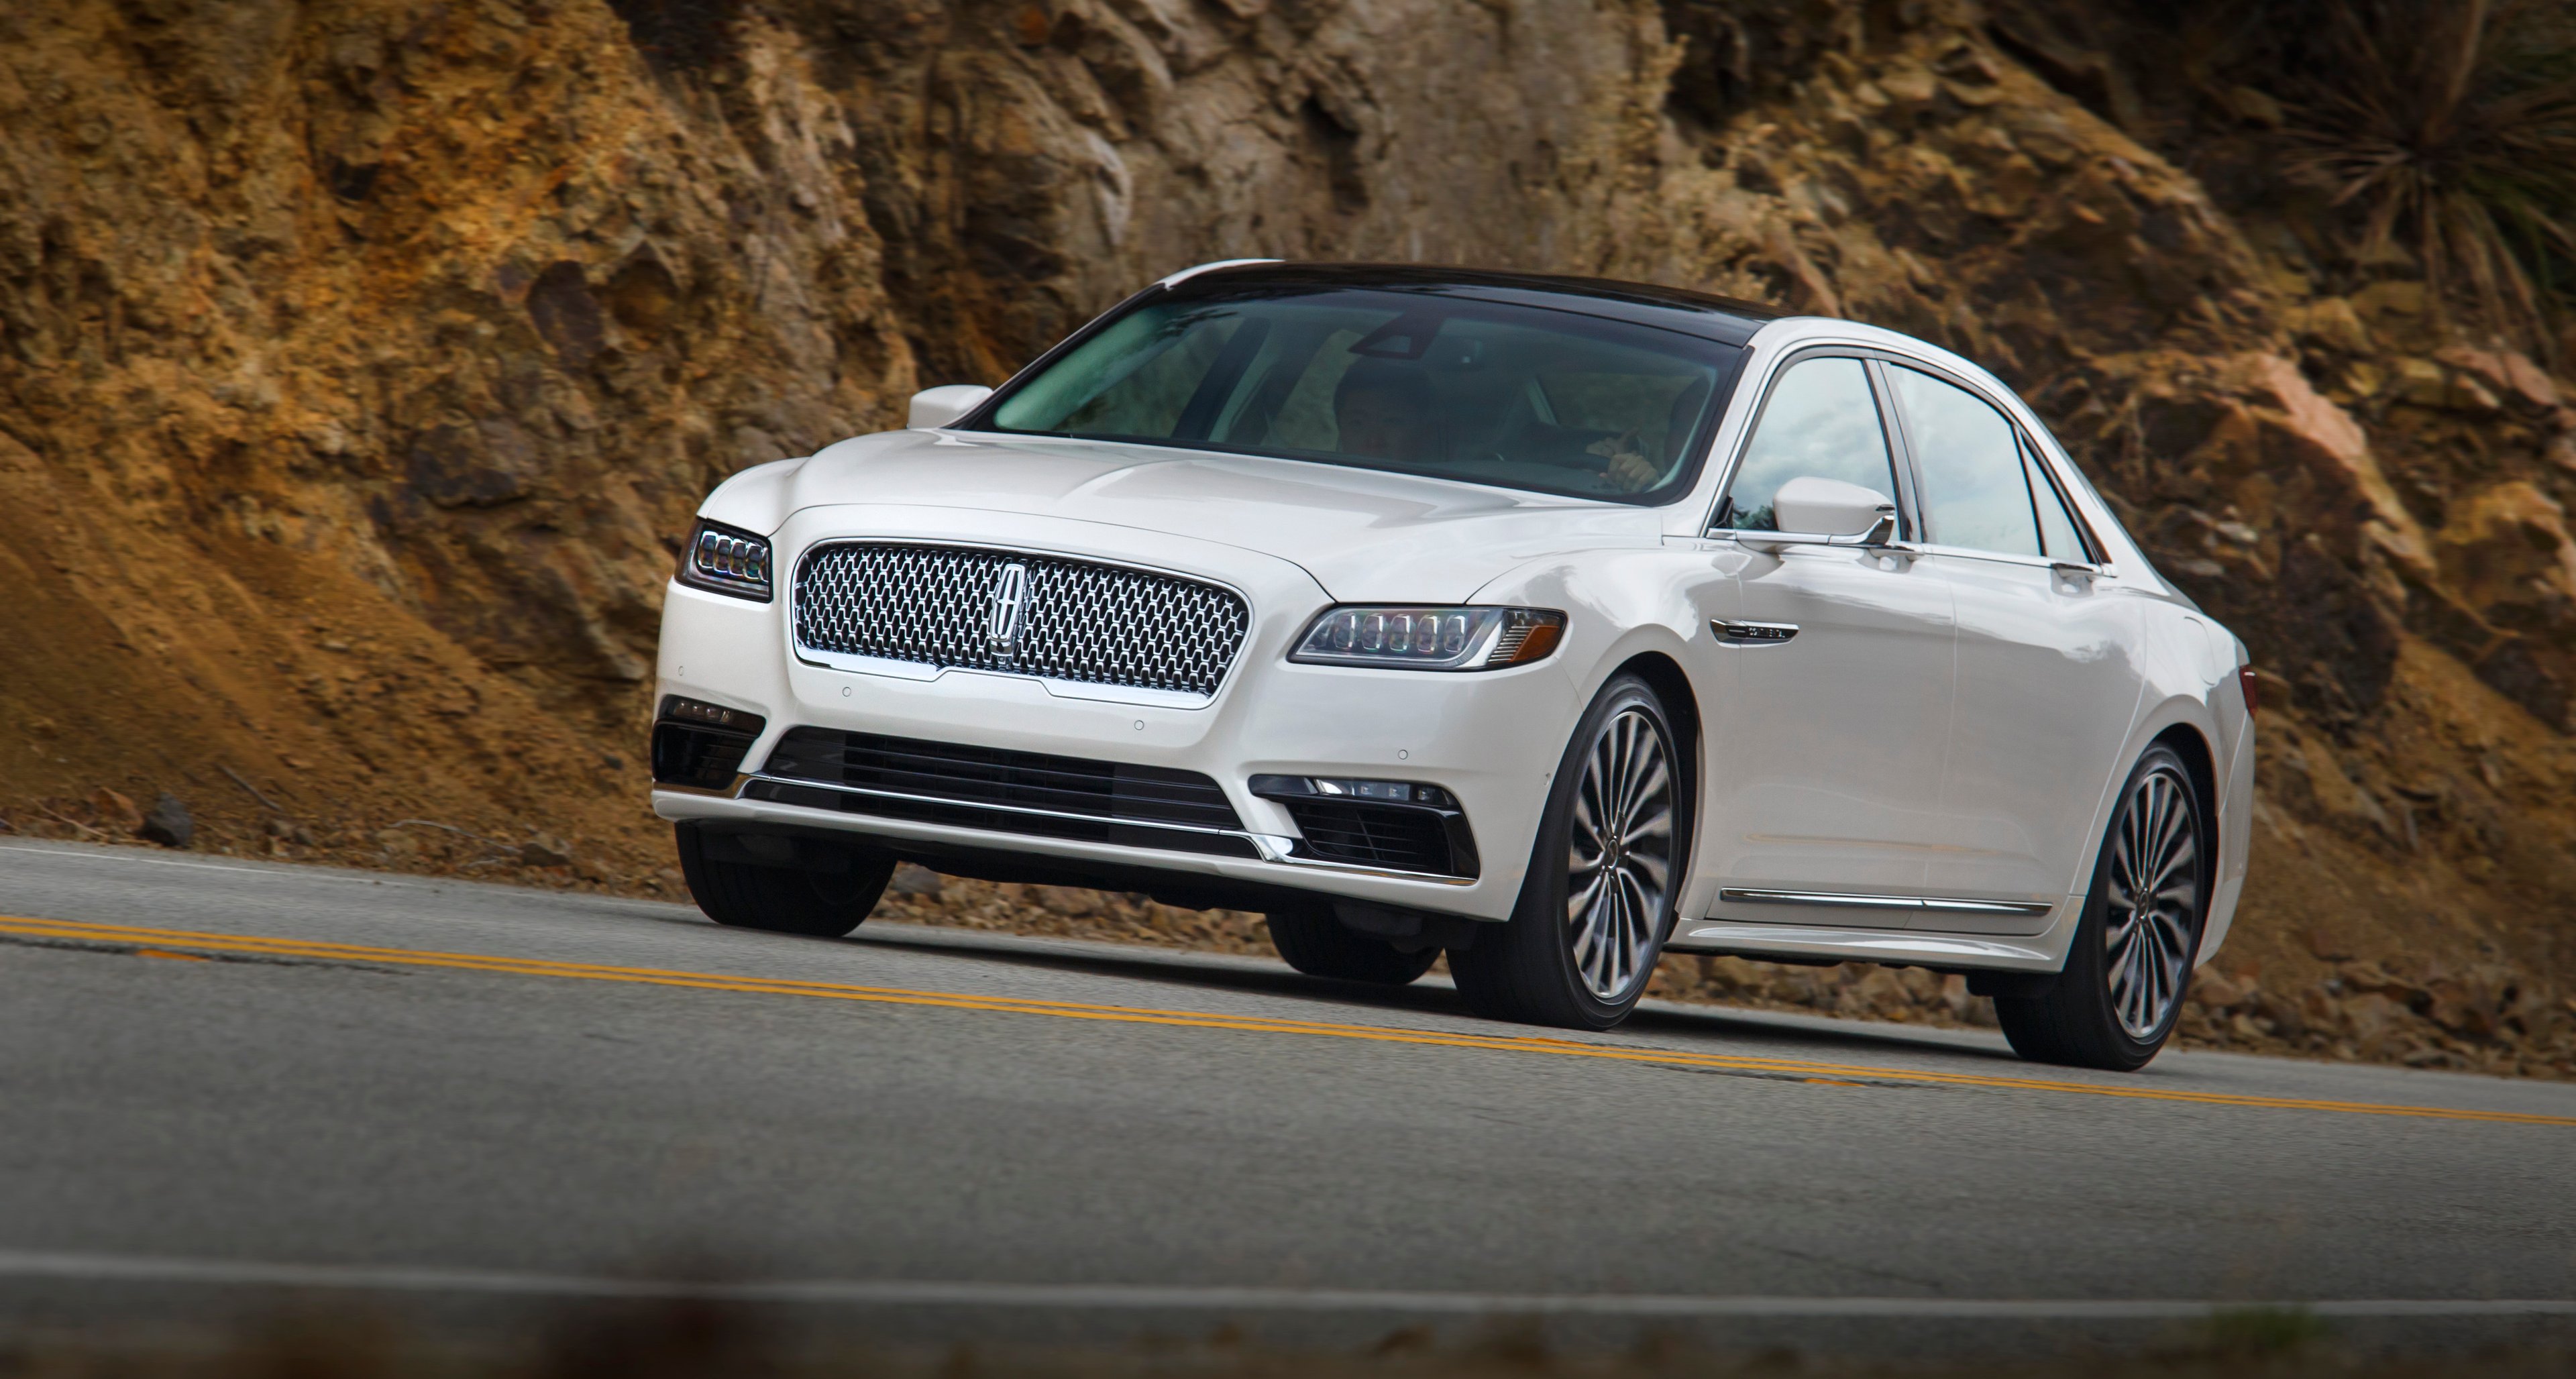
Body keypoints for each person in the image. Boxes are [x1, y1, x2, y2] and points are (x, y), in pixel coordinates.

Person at [1332, 357, 1440, 464]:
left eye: (1391, 421)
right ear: (1341, 429)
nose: (1374, 442)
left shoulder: (1445, 480)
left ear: (1425, 432)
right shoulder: (1319, 473)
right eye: (1357, 423)